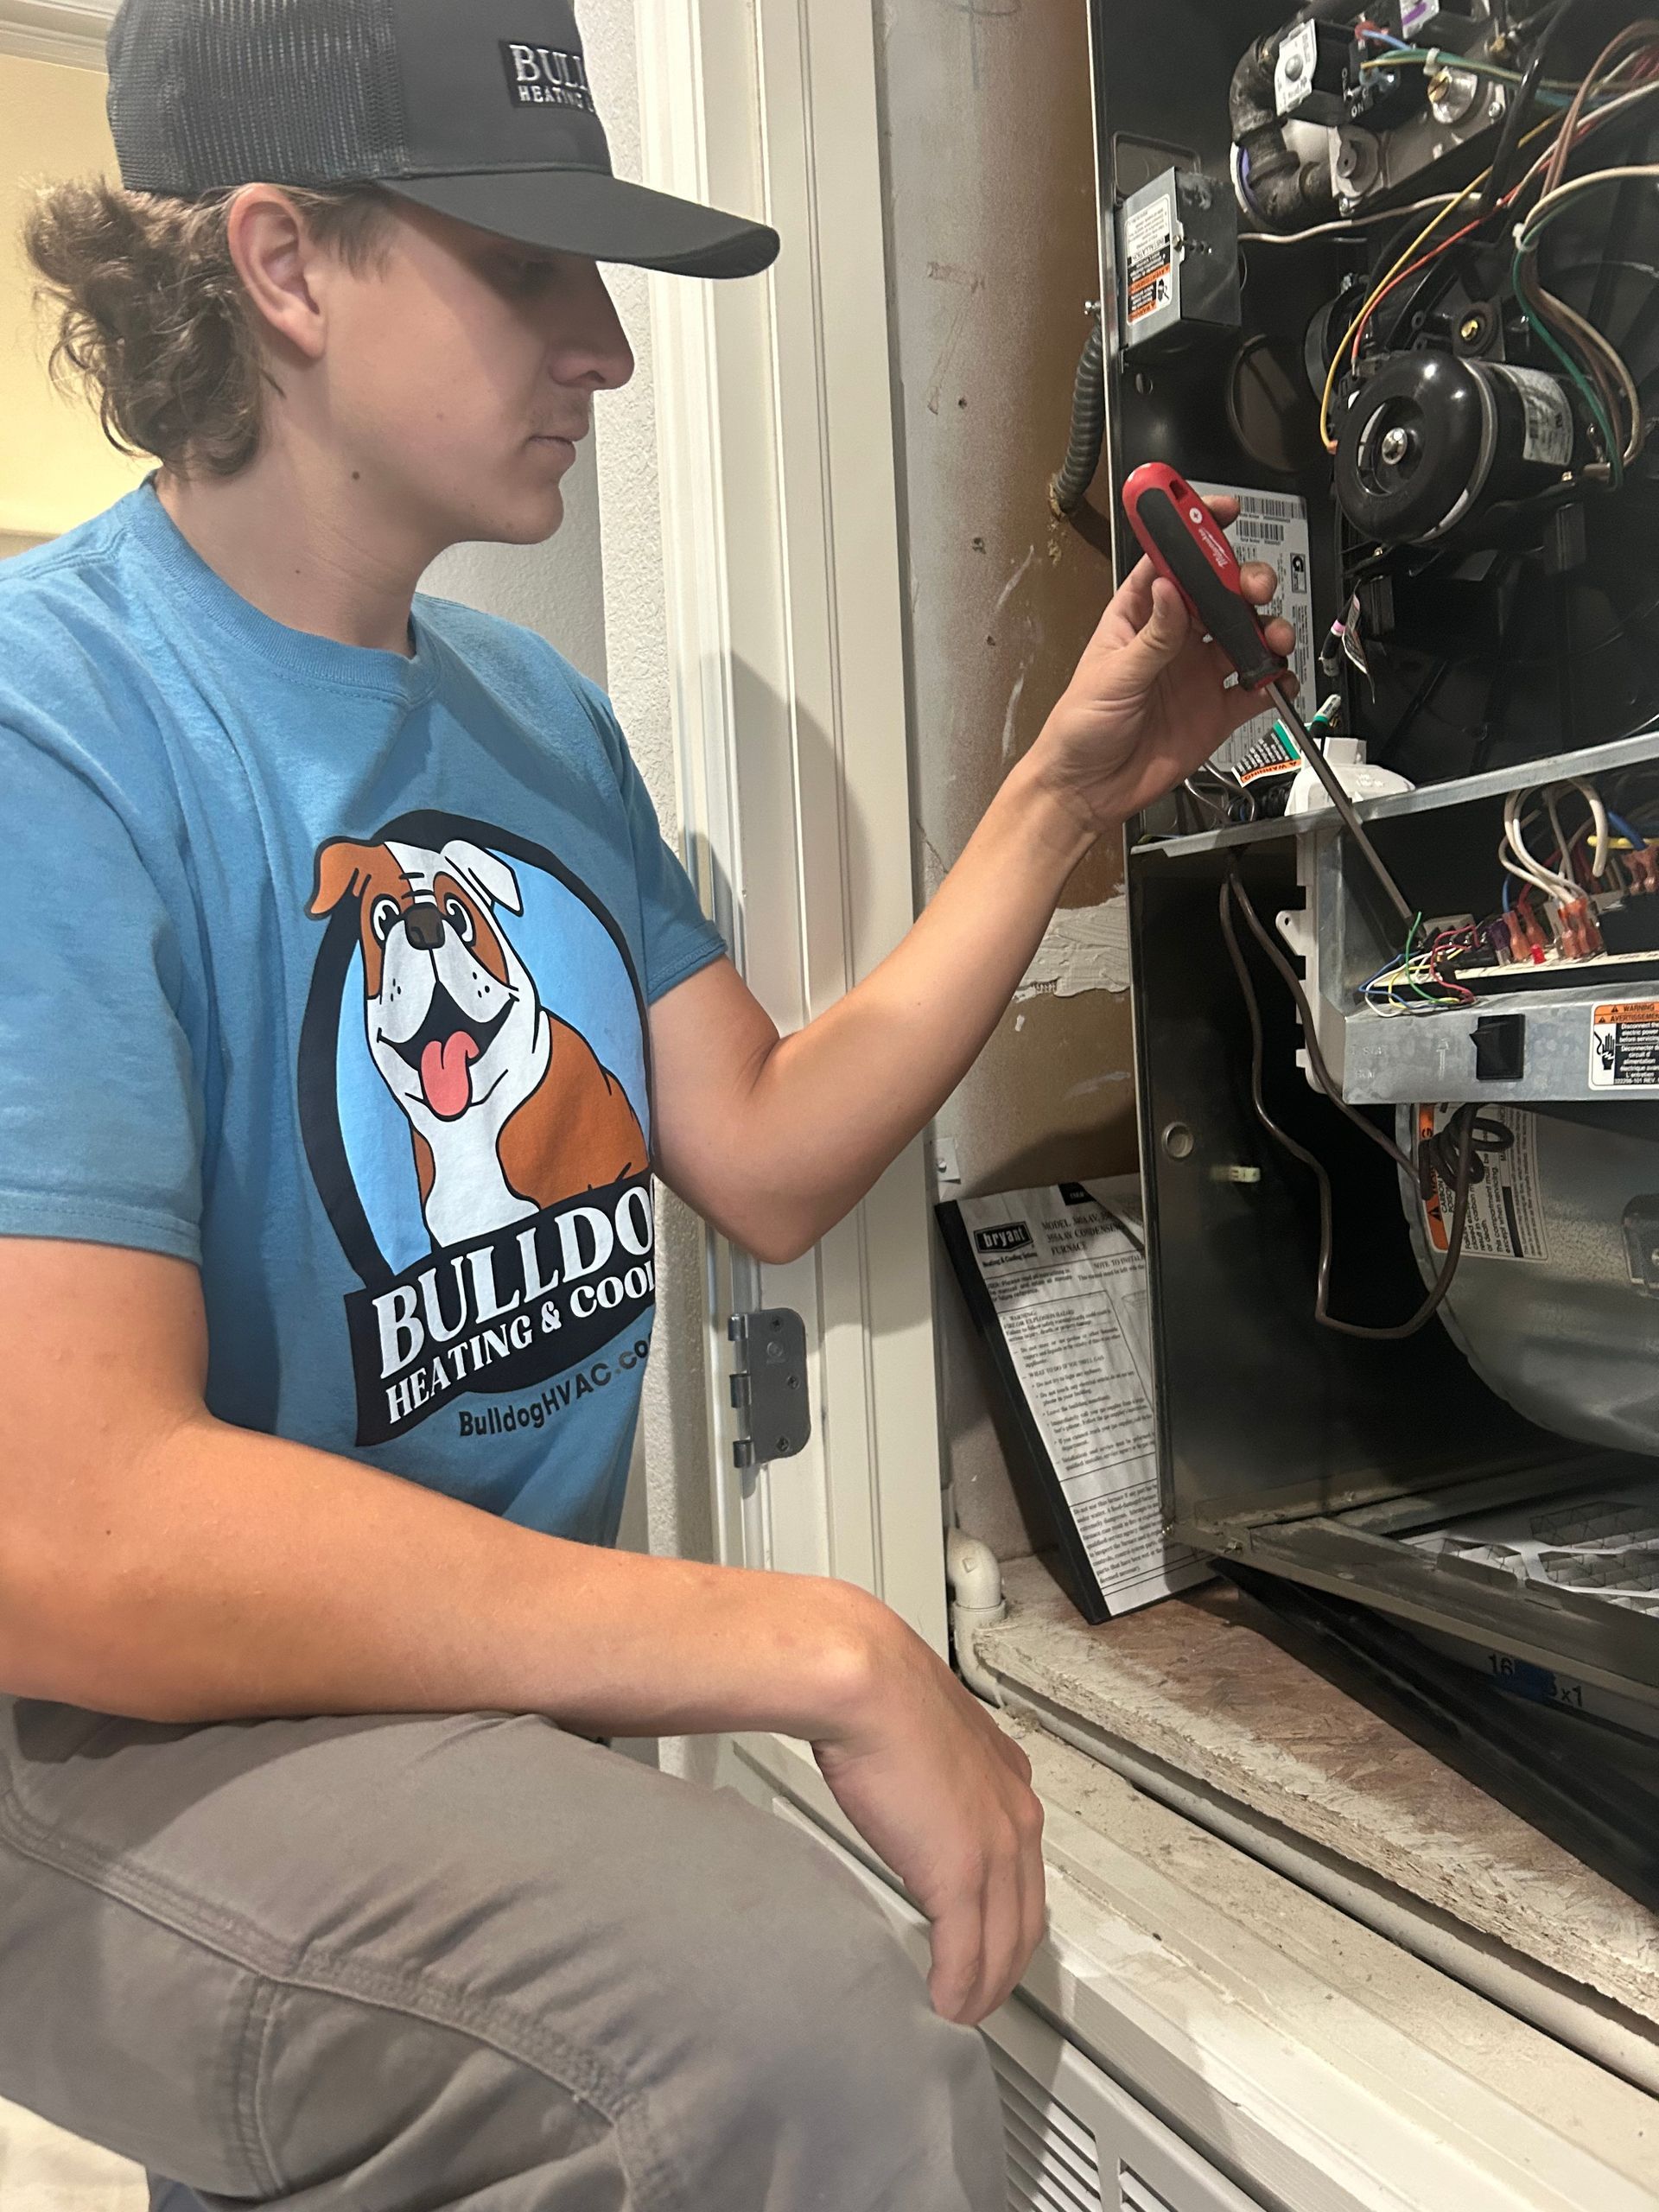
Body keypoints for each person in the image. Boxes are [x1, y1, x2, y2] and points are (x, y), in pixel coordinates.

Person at [0, 1, 1294, 2206]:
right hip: (117, 1744)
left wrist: (1066, 794)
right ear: (284, 265)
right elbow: (75, 1533)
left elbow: (770, 1153)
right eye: (528, 269)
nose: (602, 345)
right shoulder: (59, 725)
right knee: (784, 2026)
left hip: (449, 1723)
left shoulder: (526, 710)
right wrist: (823, 1637)